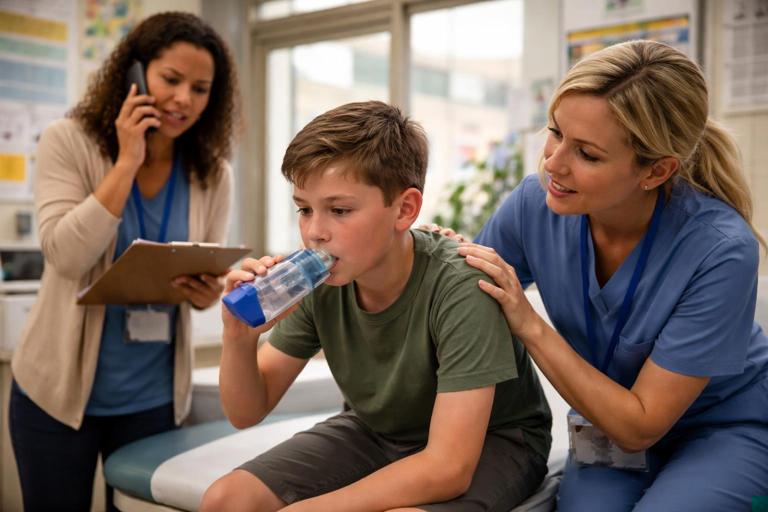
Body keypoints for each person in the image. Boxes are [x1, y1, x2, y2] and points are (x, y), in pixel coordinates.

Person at [453, 40, 768, 511]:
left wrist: (529, 323)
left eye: (588, 154)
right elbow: (462, 297)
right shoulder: (532, 206)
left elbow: (641, 424)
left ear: (656, 171)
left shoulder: (720, 249)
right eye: (555, 133)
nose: (553, 164)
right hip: (605, 427)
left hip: (723, 425)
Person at [199, 100, 552, 512]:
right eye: (304, 209)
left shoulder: (460, 285)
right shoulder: (322, 283)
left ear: (404, 210)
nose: (315, 233)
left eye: (339, 210)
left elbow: (448, 467)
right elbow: (246, 411)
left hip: (495, 442)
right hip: (377, 431)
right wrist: (238, 338)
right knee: (226, 500)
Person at [10, 11, 240, 512]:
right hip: (57, 396)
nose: (184, 99)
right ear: (134, 76)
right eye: (171, 80)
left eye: (200, 89)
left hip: (152, 400)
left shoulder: (212, 173)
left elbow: (206, 272)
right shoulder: (67, 141)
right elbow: (66, 256)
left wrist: (206, 294)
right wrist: (127, 162)